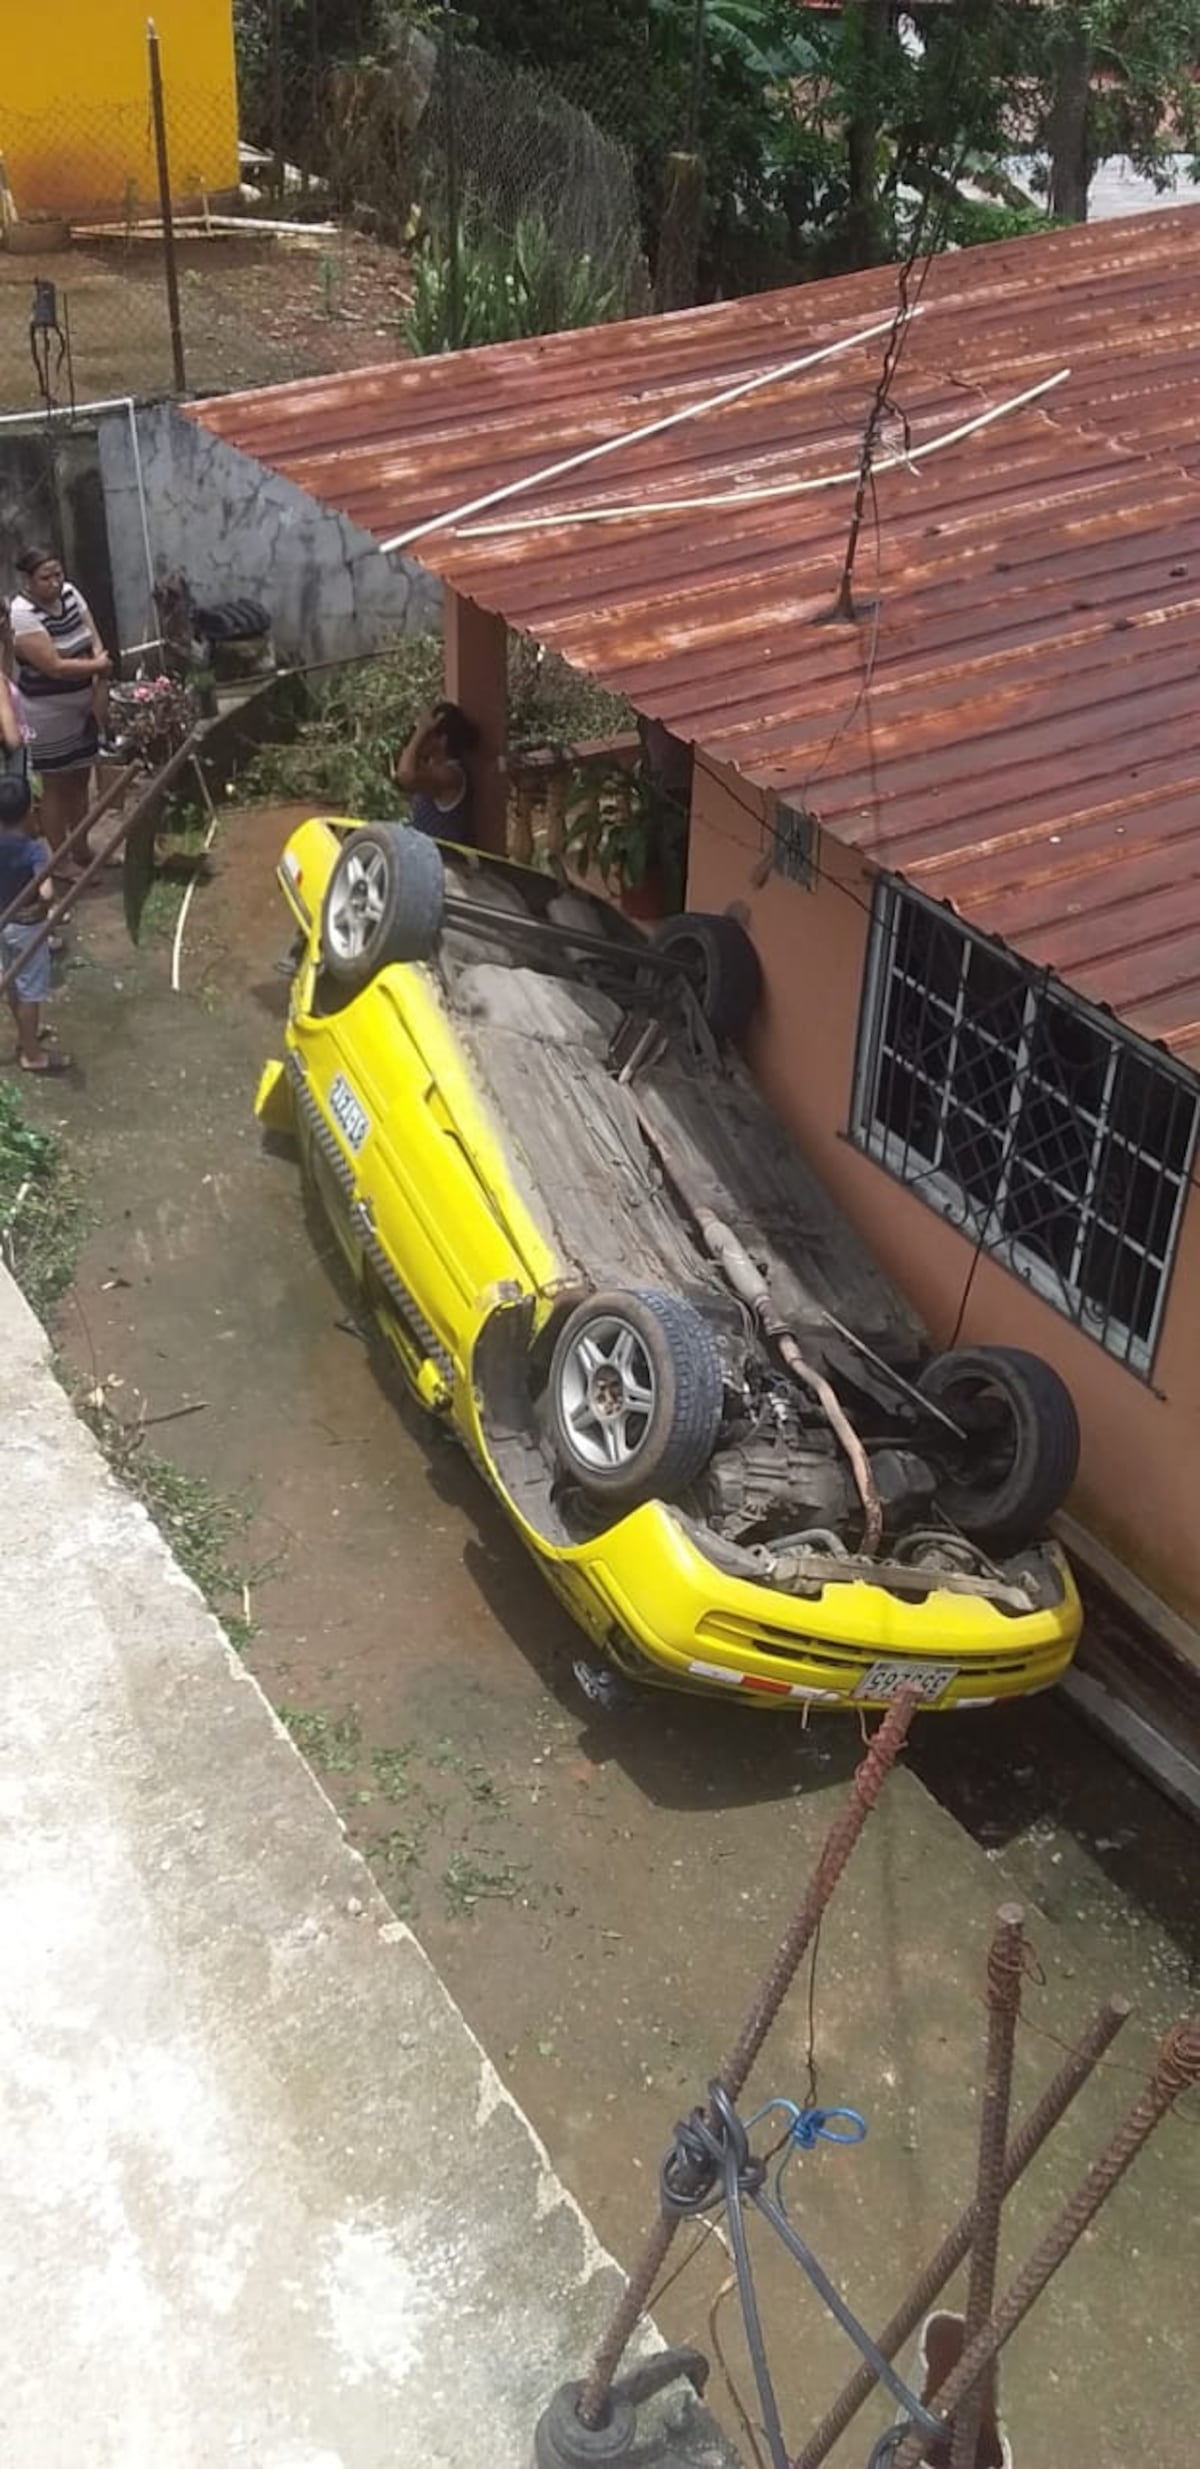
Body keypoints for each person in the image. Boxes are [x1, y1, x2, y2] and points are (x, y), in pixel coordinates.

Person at [9, 546, 111, 882]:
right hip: (47, 713)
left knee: (81, 779)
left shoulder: (70, 593)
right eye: (45, 577)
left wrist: (98, 674)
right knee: (56, 785)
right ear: (27, 580)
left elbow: (93, 635)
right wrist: (98, 665)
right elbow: (53, 666)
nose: (55, 582)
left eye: (58, 574)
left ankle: (82, 848)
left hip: (84, 703)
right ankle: (62, 858)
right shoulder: (22, 614)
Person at [0, 770, 68, 1073]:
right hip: (26, 928)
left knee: (12, 981)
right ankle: (32, 1054)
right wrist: (47, 906)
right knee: (31, 991)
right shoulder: (31, 850)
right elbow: (47, 891)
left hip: (1, 924)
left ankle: (26, 1034)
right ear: (29, 811)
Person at [394, 700, 480, 846]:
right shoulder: (433, 768)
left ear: (442, 740)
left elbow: (405, 776)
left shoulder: (451, 775)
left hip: (442, 863)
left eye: (428, 735)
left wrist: (421, 730)